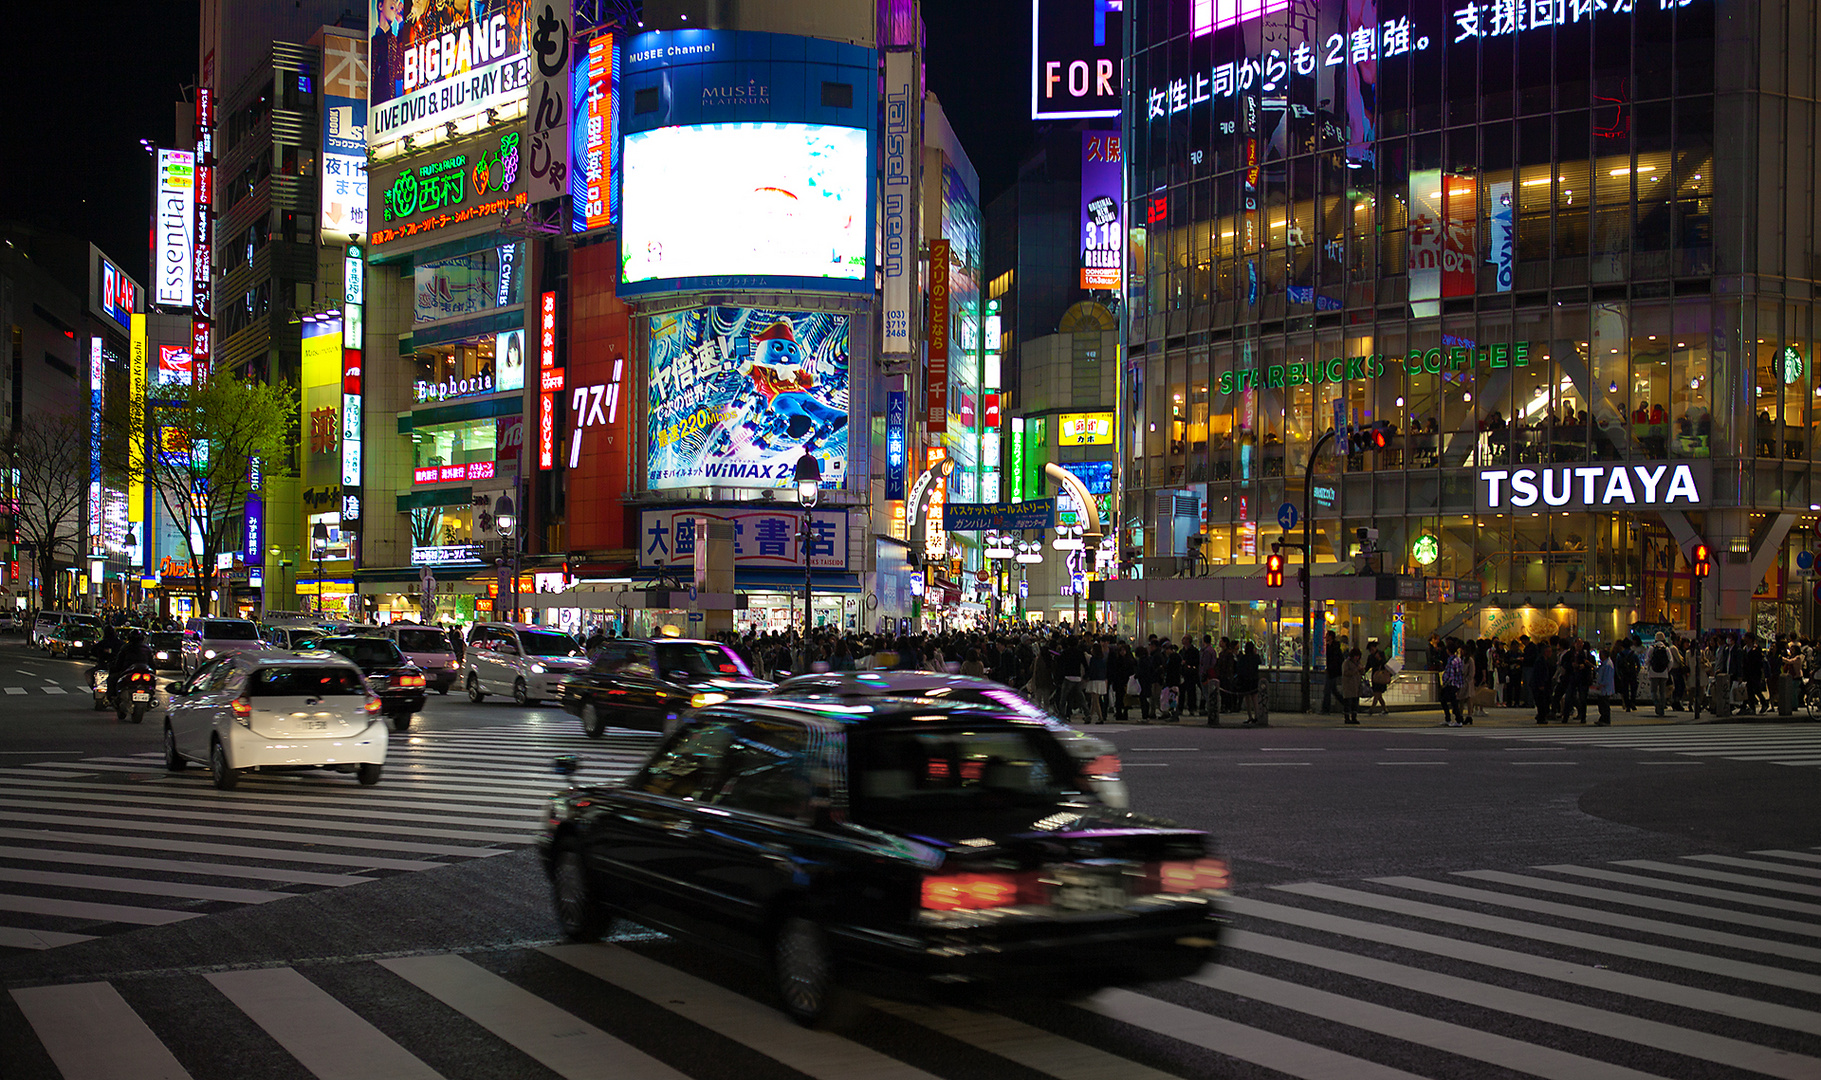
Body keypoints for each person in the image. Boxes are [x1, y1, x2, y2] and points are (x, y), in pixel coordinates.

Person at [1645, 632, 1677, 716]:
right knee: (1663, 691)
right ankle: (1662, 707)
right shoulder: (1666, 649)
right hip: (1664, 673)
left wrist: (1649, 669)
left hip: (1653, 673)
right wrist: (1667, 670)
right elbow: (1671, 661)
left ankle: (1656, 703)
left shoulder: (1652, 648)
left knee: (1653, 690)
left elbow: (1647, 660)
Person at [1440, 642, 1467, 726]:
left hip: (1451, 684)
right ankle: (1457, 719)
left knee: (1445, 700)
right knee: (1453, 701)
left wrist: (1445, 682)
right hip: (1457, 683)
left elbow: (1450, 674)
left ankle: (1455, 719)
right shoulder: (1458, 659)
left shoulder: (1451, 660)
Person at [1236, 641, 1262, 725]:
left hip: (1245, 680)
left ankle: (1250, 716)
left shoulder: (1243, 658)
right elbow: (1259, 662)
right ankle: (1257, 716)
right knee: (1254, 697)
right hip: (1254, 679)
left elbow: (1239, 668)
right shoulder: (1256, 657)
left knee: (1247, 698)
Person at [1339, 647, 1364, 725]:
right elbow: (1346, 673)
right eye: (1355, 656)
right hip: (1349, 685)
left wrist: (1362, 669)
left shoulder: (1359, 663)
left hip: (1357, 685)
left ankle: (1354, 717)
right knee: (1348, 702)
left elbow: (1362, 672)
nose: (1356, 658)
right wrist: (1356, 669)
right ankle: (1347, 718)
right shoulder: (1347, 663)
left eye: (1358, 656)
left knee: (1355, 702)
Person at [1321, 631, 1343, 713]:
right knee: (1333, 690)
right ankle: (1346, 704)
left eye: (1327, 635)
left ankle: (1326, 709)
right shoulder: (1329, 646)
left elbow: (1334, 660)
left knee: (1327, 690)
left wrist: (1330, 668)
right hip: (1332, 671)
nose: (1326, 637)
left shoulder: (1334, 647)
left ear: (1330, 637)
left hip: (1333, 671)